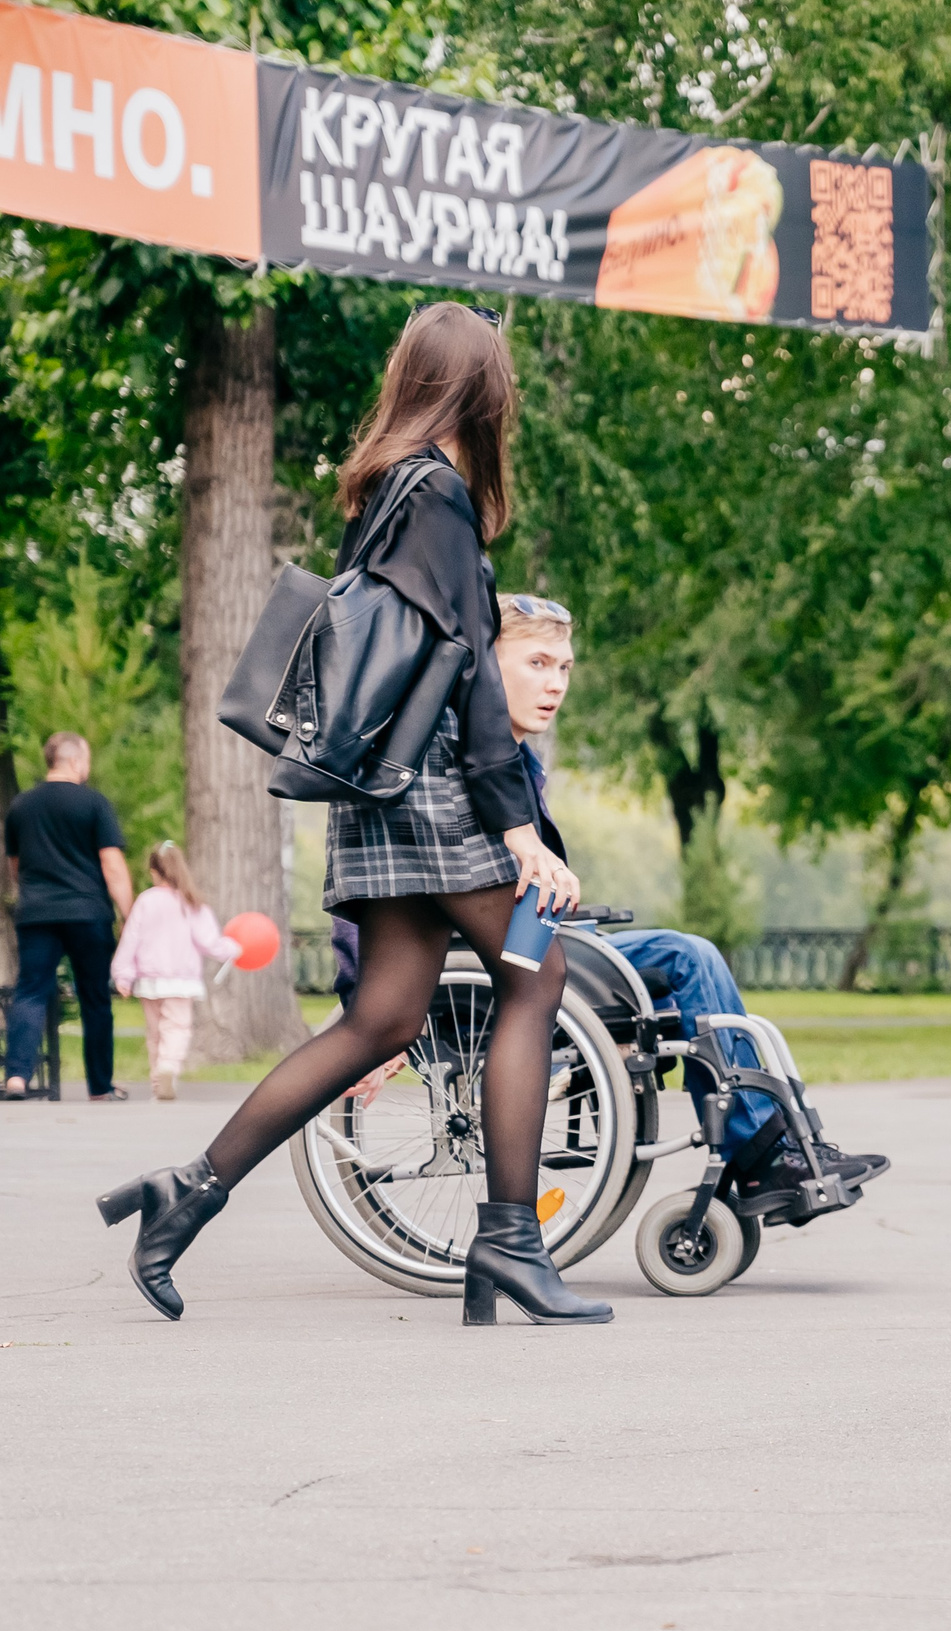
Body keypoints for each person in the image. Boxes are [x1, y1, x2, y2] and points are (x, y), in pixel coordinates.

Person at [96, 302, 609, 1328]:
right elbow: (470, 674)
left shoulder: (385, 486)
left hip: (382, 795)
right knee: (536, 972)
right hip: (439, 787)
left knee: (384, 1019)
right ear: (480, 388)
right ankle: (510, 1240)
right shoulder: (439, 494)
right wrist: (518, 828)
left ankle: (188, 1188)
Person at [337, 594, 876, 1194]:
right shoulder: (446, 759)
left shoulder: (517, 762)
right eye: (538, 663)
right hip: (484, 969)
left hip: (535, 943)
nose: (556, 684)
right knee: (686, 956)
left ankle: (774, 1143)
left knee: (692, 958)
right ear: (484, 667)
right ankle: (759, 1155)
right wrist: (370, 1013)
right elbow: (378, 888)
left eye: (564, 667)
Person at [4, 732, 133, 1101]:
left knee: (30, 991)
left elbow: (16, 865)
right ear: (77, 761)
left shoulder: (21, 806)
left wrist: (34, 893)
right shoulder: (94, 803)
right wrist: (128, 914)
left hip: (37, 913)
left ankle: (17, 1077)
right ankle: (99, 1087)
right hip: (87, 911)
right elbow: (112, 864)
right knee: (94, 997)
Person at [109, 842, 242, 1101]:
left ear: (154, 872)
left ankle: (158, 1084)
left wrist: (122, 975)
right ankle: (167, 1069)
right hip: (181, 981)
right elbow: (209, 942)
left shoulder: (145, 901)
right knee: (177, 1028)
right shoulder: (192, 902)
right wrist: (233, 948)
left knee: (155, 1034)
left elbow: (130, 939)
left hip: (149, 981)